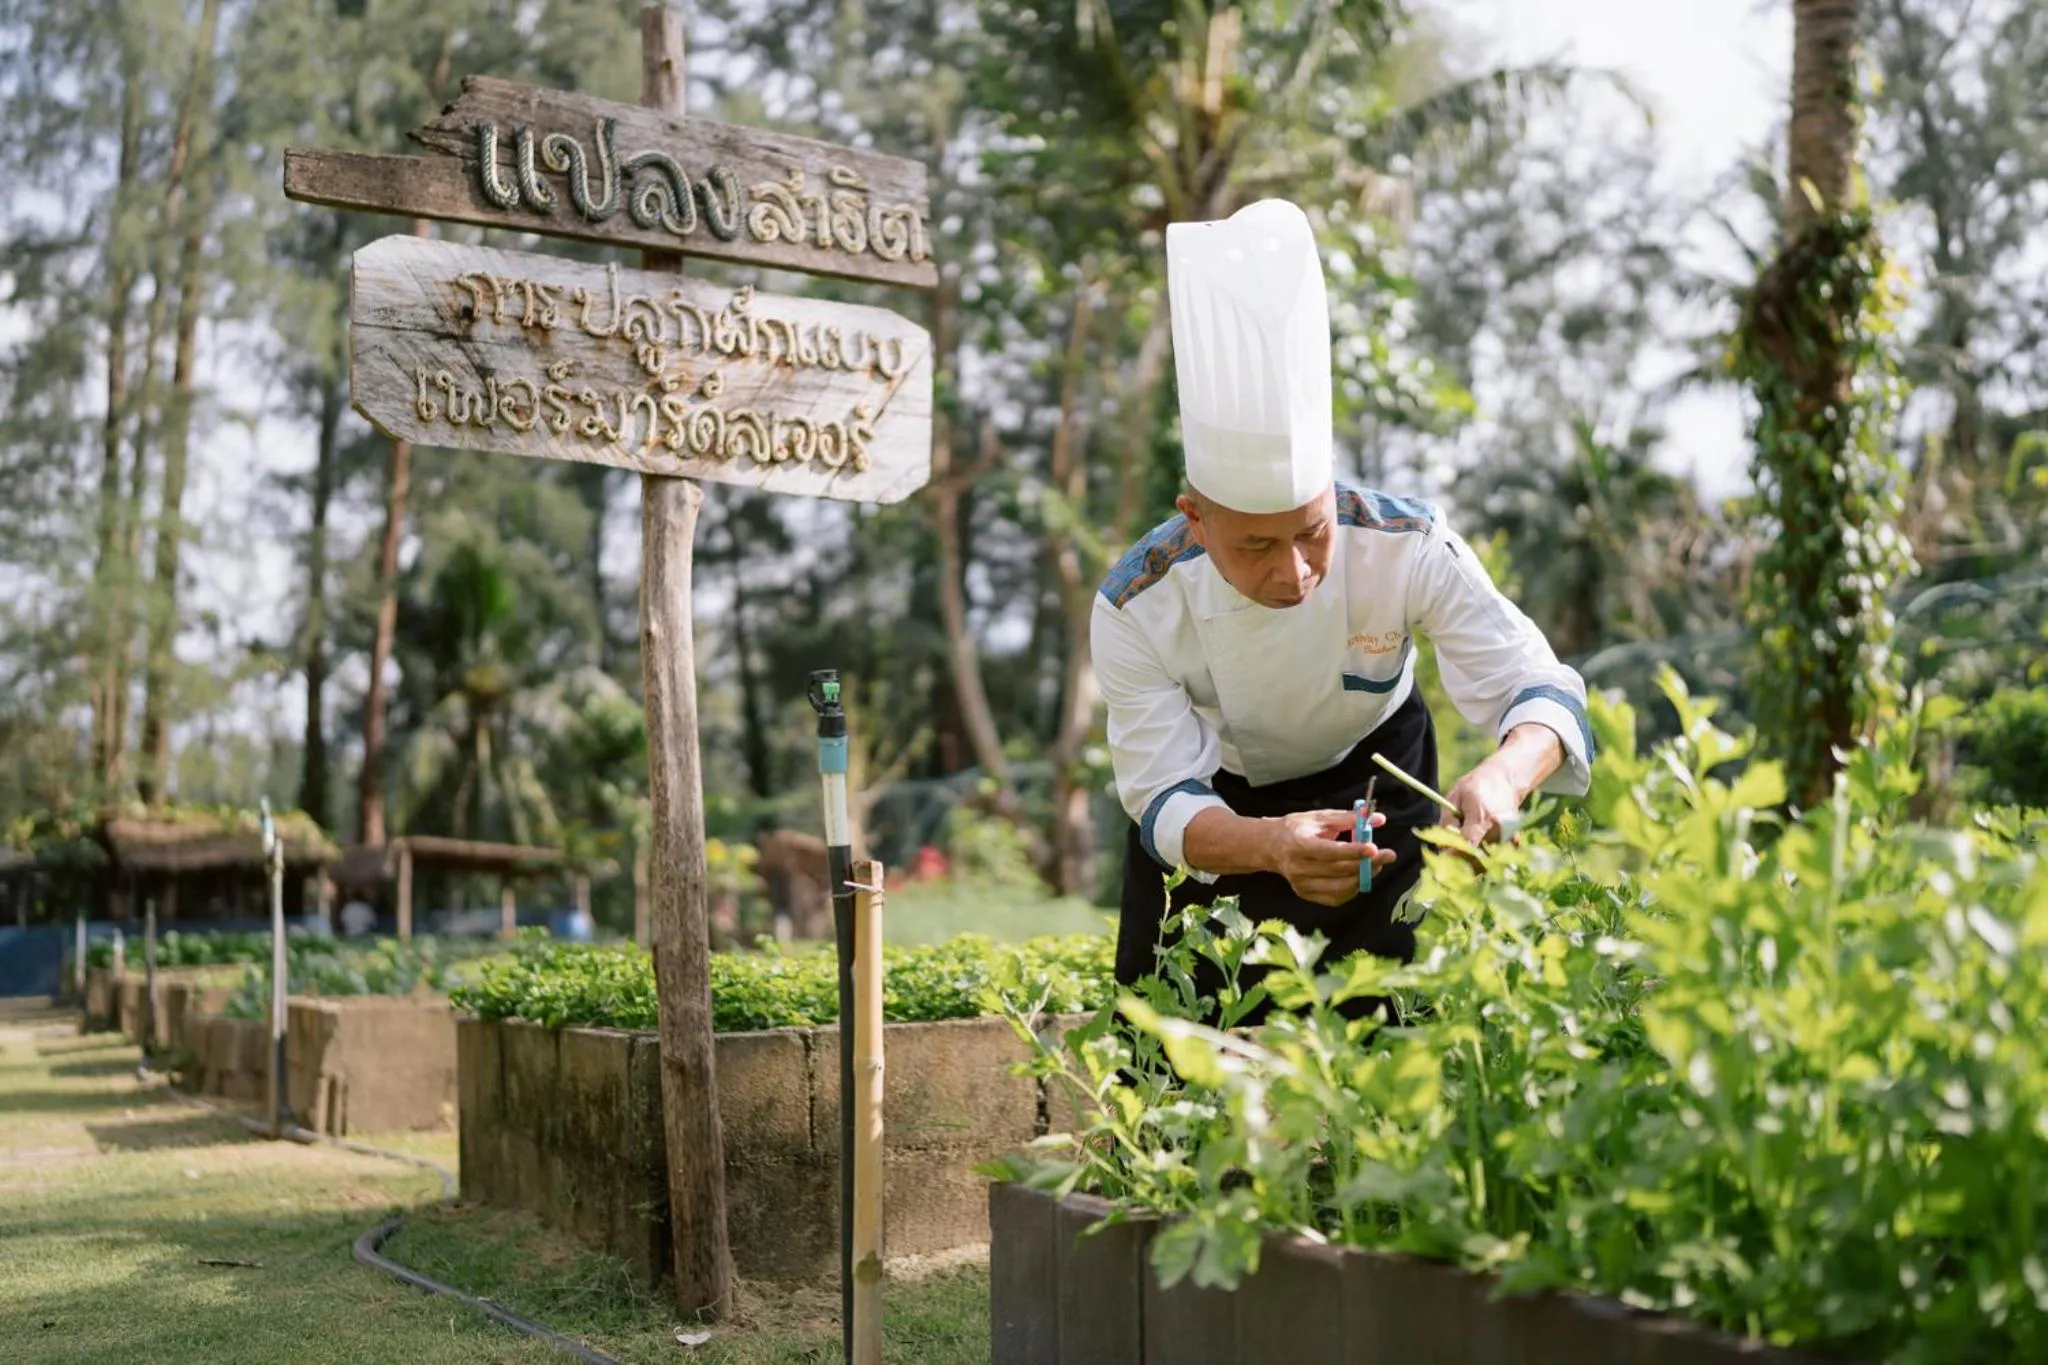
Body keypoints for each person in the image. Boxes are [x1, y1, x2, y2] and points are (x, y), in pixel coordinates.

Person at [1094, 198, 1593, 1023]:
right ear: (1195, 517)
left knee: (1387, 1061)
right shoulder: (1137, 602)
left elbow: (1538, 683)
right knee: (1179, 1077)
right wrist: (1266, 846)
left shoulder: (1406, 542)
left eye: (1312, 532)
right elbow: (1160, 794)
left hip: (1375, 793)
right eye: (1254, 545)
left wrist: (1506, 773)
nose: (1294, 572)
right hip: (1219, 816)